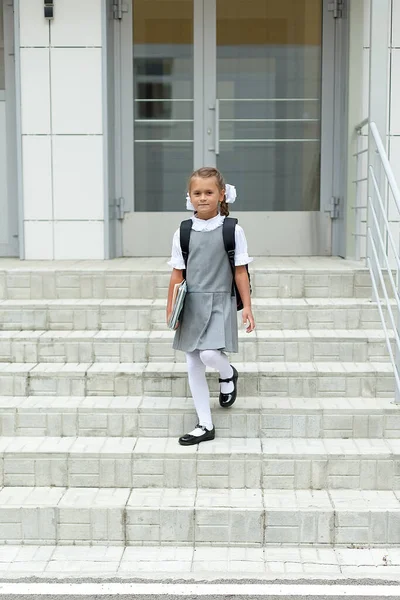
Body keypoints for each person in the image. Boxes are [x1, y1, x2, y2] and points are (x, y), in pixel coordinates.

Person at [166, 167, 255, 446]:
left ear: (221, 194)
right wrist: (171, 309)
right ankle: (205, 423)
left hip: (220, 300)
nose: (203, 198)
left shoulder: (232, 229)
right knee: (192, 360)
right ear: (189, 197)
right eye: (197, 193)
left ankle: (228, 373)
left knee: (208, 354)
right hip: (193, 302)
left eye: (209, 192)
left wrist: (248, 308)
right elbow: (177, 274)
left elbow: (241, 271)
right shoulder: (183, 232)